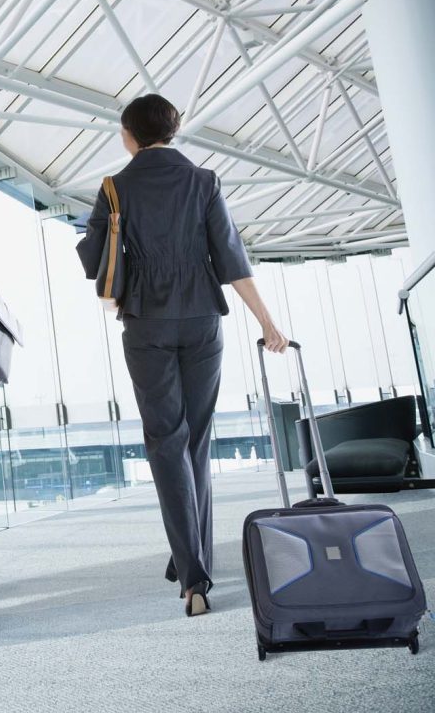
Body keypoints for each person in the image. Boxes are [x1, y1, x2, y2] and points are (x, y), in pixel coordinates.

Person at [77, 93, 288, 618]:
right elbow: (232, 259)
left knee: (166, 443)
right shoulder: (205, 182)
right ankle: (190, 555)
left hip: (146, 322)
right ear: (174, 131)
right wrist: (267, 322)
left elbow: (92, 260)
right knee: (195, 439)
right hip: (201, 321)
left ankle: (193, 576)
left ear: (129, 135)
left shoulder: (115, 188)